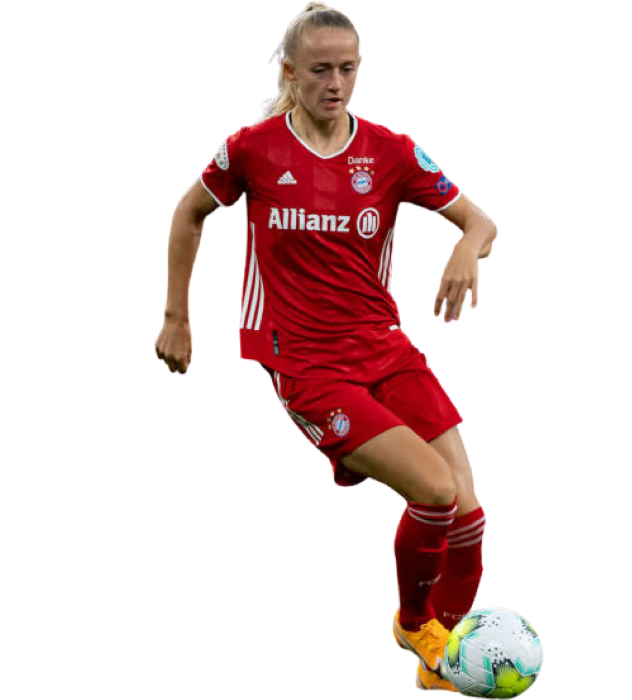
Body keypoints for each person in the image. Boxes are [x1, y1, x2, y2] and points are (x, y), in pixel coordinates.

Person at [155, 2, 497, 692]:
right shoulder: (251, 149)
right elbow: (189, 213)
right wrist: (176, 317)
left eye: (347, 68)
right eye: (319, 70)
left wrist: (467, 247)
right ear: (289, 71)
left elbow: (480, 221)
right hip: (307, 365)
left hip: (388, 351)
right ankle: (413, 624)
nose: (335, 83)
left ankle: (449, 657)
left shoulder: (390, 151)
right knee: (435, 491)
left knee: (469, 515)